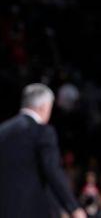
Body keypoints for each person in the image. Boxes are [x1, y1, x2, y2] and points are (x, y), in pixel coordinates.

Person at [0, 83, 86, 218]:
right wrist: (73, 207)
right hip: (31, 210)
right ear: (44, 107)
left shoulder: (3, 130)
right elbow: (52, 170)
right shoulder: (43, 131)